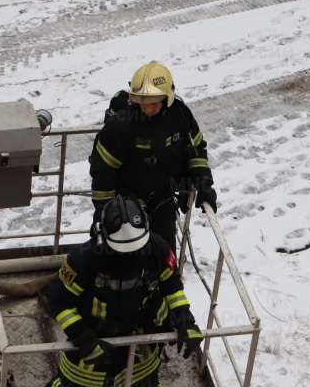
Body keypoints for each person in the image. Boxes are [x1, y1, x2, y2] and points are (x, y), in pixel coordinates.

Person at [29, 195, 203, 387]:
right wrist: (84, 338)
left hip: (139, 342)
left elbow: (171, 286)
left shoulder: (157, 247)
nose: (130, 256)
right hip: (91, 341)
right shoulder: (84, 259)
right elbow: (59, 300)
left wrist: (185, 321)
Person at [90, 60, 217, 256]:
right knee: (128, 261)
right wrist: (102, 213)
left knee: (164, 259)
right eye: (142, 103)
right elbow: (103, 173)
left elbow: (196, 151)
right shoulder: (121, 126)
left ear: (168, 98)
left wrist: (204, 184)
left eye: (153, 103)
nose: (147, 109)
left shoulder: (181, 117)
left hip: (163, 201)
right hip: (126, 206)